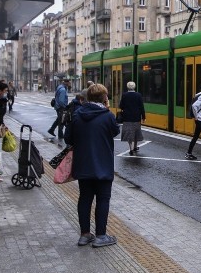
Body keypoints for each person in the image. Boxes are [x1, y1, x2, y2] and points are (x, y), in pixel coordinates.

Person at [64, 83, 120, 248]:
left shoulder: (78, 114)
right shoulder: (107, 115)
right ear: (104, 98)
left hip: (83, 164)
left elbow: (68, 139)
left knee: (85, 198)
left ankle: (85, 235)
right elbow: (115, 131)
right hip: (103, 164)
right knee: (103, 199)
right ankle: (101, 236)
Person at [119, 81, 146, 156]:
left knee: (129, 133)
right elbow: (141, 107)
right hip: (136, 117)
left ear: (127, 87)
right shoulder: (138, 95)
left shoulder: (124, 95)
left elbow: (121, 106)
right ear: (134, 87)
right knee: (136, 132)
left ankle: (131, 148)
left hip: (127, 117)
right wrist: (143, 117)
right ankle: (135, 147)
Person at [47, 78, 70, 143]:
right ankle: (60, 134)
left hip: (57, 106)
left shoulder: (60, 87)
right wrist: (65, 107)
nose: (69, 84)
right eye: (69, 82)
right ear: (66, 82)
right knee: (62, 120)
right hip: (61, 107)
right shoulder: (63, 90)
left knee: (59, 119)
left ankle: (51, 130)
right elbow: (61, 100)